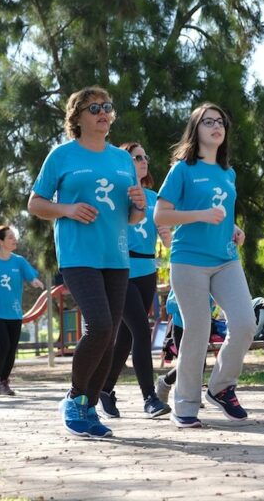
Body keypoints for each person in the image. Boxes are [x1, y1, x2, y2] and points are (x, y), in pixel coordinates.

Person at [28, 86, 146, 437]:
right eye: (94, 107)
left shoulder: (123, 160)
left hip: (116, 255)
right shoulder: (62, 156)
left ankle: (87, 408)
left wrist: (139, 204)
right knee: (101, 326)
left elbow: (132, 218)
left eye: (108, 106)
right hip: (79, 255)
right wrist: (66, 209)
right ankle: (75, 397)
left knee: (109, 336)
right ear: (77, 116)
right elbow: (36, 203)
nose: (103, 113)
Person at [154, 102, 256, 428]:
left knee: (244, 323)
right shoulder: (182, 169)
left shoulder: (229, 173)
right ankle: (185, 407)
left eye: (221, 121)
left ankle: (221, 387)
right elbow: (161, 215)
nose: (216, 126)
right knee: (197, 331)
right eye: (208, 121)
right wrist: (198, 216)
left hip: (226, 259)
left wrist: (234, 228)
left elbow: (223, 212)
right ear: (195, 129)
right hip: (189, 261)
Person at [99, 142, 172, 419]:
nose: (143, 161)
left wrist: (167, 236)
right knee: (142, 331)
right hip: (120, 270)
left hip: (147, 271)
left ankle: (104, 389)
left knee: (127, 338)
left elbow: (165, 234)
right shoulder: (114, 193)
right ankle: (150, 398)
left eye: (145, 156)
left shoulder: (154, 197)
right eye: (136, 157)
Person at [0, 226, 43, 395]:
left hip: (15, 313)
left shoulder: (19, 261)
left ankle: (4, 381)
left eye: (15, 237)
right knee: (3, 344)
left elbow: (30, 276)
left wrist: (35, 282)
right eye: (10, 237)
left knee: (12, 348)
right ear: (1, 241)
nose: (14, 240)